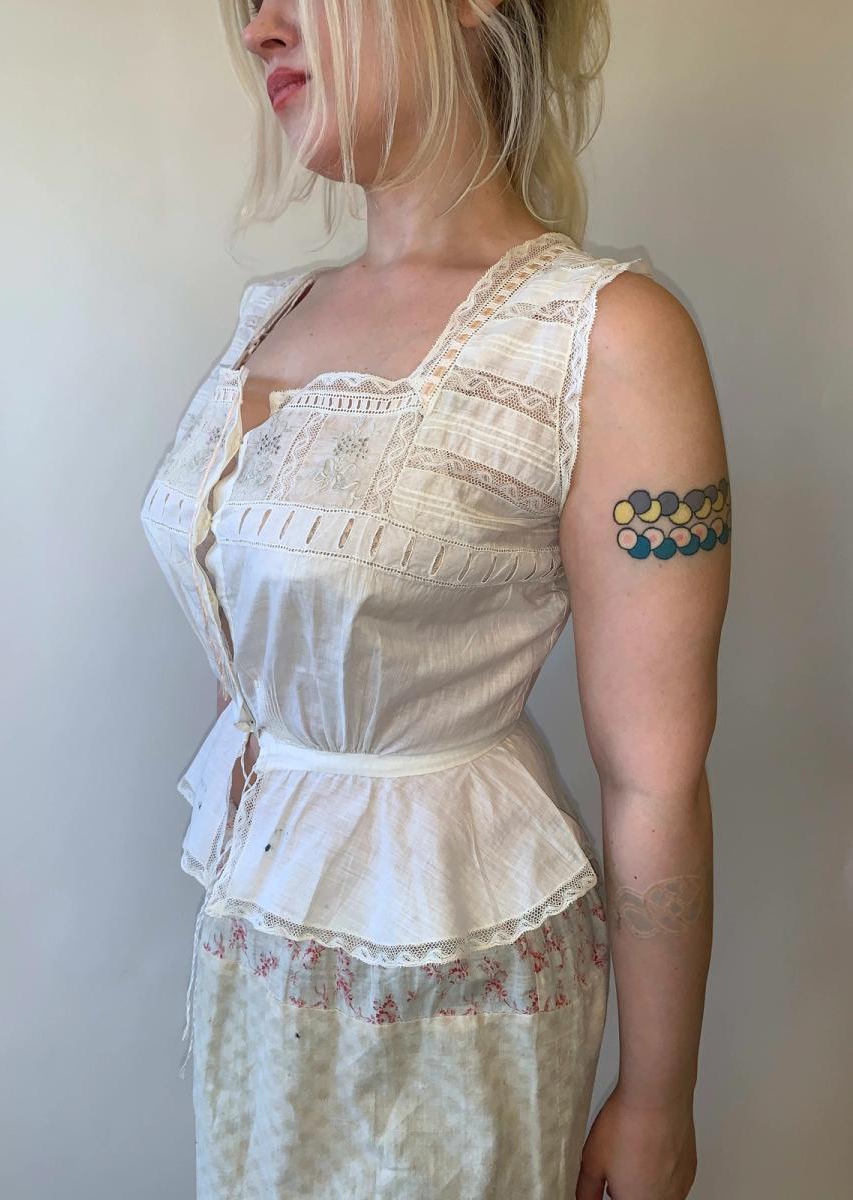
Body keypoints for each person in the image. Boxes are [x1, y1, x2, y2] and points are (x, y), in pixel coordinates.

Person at [139, 2, 729, 1197]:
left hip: (452, 992)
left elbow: (655, 776)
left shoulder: (603, 338)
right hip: (259, 954)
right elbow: (262, 648)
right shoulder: (275, 313)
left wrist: (657, 1101)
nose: (259, 30)